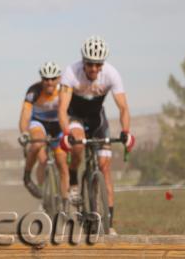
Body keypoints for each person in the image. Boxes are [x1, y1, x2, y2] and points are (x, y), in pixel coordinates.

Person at [57, 36, 135, 235]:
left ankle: (109, 222)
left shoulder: (111, 74)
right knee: (78, 145)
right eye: (90, 64)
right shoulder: (71, 73)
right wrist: (66, 134)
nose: (93, 69)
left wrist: (126, 132)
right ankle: (74, 178)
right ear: (83, 61)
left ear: (102, 64)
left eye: (97, 65)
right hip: (75, 117)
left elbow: (123, 107)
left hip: (97, 119)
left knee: (105, 168)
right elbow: (62, 108)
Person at [18, 62, 68, 203]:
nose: (49, 82)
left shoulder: (64, 90)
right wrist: (24, 133)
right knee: (38, 147)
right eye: (46, 79)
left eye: (53, 78)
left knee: (62, 164)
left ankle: (65, 202)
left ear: (58, 78)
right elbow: (25, 114)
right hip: (39, 123)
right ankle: (28, 177)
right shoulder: (34, 91)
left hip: (58, 125)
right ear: (42, 79)